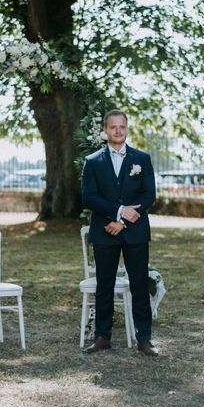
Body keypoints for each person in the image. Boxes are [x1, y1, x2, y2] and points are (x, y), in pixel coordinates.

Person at [81, 109, 158, 356]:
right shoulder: (92, 161)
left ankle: (144, 339)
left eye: (122, 127)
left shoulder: (142, 159)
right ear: (105, 130)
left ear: (127, 128)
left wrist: (123, 221)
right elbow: (89, 197)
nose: (117, 131)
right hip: (104, 231)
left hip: (134, 232)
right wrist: (118, 212)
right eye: (113, 127)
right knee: (104, 285)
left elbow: (148, 195)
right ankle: (102, 336)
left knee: (139, 286)